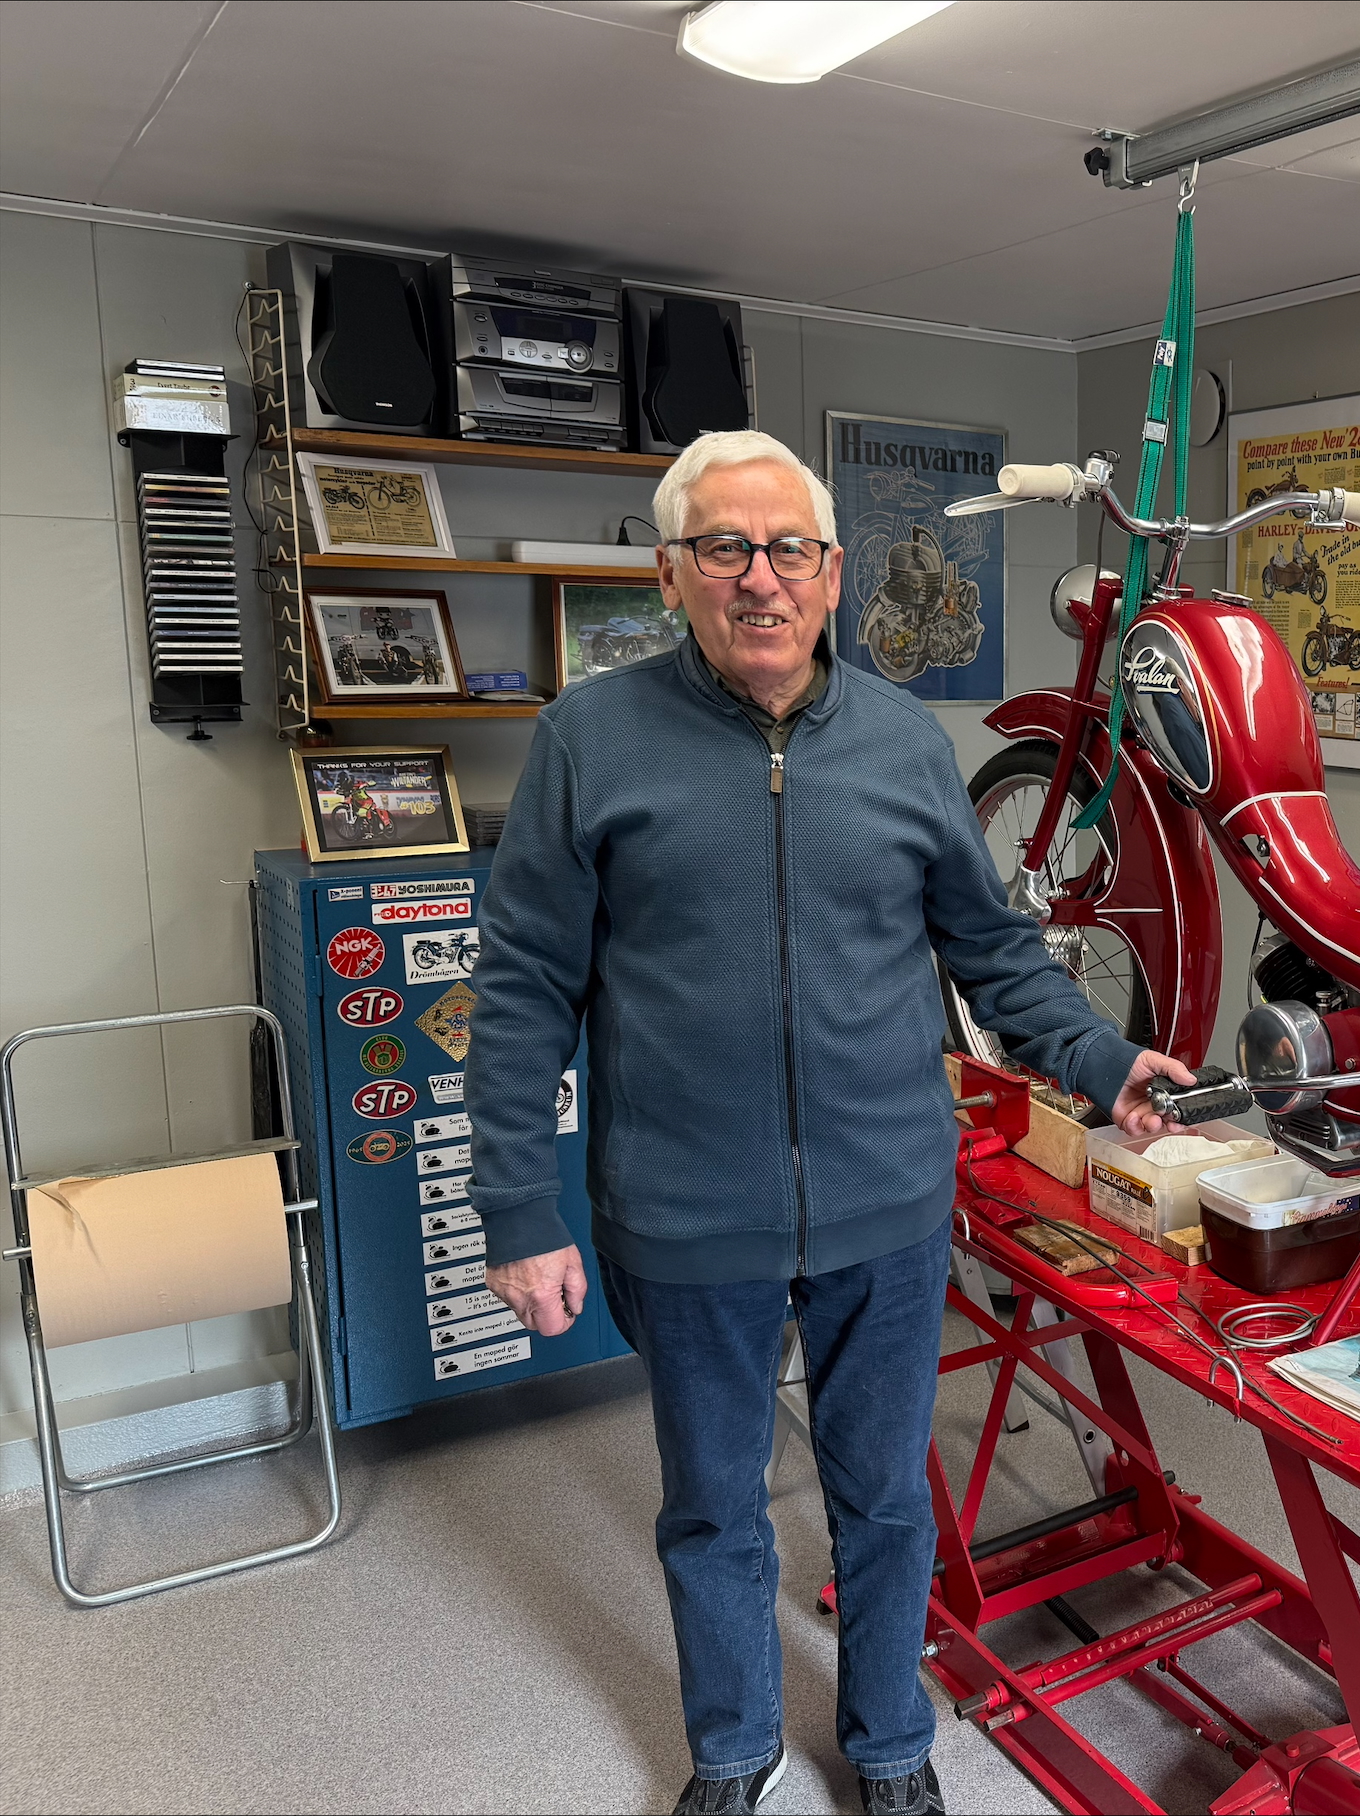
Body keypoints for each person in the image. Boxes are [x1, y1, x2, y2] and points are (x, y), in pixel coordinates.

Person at [466, 429, 1193, 1816]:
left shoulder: (907, 746)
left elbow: (990, 950)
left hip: (888, 1208)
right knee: (712, 1508)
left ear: (833, 572)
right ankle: (733, 1751)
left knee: (886, 1500)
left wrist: (1102, 1062)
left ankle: (890, 1745)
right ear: (675, 573)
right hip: (684, 1216)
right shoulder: (587, 745)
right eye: (724, 550)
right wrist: (517, 1208)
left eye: (787, 549)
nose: (760, 580)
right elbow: (521, 992)